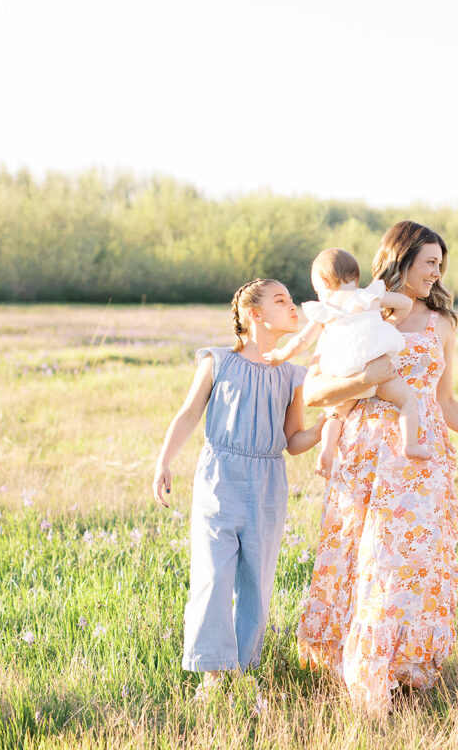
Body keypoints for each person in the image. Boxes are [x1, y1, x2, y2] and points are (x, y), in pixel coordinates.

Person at [296, 220, 458, 715]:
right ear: (401, 259)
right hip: (365, 451)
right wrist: (366, 377)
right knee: (363, 555)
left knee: (405, 563)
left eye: (442, 265)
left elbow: (444, 401)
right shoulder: (359, 309)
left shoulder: (442, 323)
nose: (438, 274)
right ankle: (356, 670)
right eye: (430, 263)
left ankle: (396, 666)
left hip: (420, 453)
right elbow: (312, 392)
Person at [151, 278, 325, 697]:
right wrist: (163, 462)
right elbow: (189, 413)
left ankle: (242, 672)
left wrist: (326, 427)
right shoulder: (218, 361)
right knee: (212, 574)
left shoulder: (293, 376)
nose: (293, 307)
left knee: (256, 581)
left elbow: (292, 441)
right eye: (281, 301)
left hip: (268, 483)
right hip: (220, 478)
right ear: (255, 314)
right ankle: (212, 674)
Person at [264, 247, 430, 478]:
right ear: (355, 276)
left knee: (336, 415)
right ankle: (410, 443)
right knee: (407, 400)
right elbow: (404, 303)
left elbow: (303, 340)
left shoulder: (326, 309)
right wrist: (391, 321)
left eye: (316, 289)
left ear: (324, 282)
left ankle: (326, 453)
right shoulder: (367, 296)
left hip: (343, 373)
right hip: (376, 365)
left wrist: (280, 356)